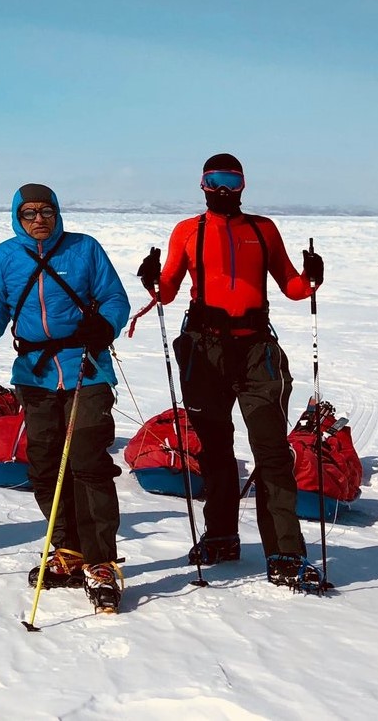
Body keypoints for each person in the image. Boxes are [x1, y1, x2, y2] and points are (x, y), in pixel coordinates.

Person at [135, 153, 326, 590]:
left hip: (257, 349)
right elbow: (166, 292)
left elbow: (293, 288)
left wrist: (312, 278)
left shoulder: (263, 230)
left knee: (272, 452)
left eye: (231, 181)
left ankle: (285, 553)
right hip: (205, 351)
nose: (223, 189)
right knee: (215, 449)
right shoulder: (188, 230)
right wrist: (152, 280)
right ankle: (221, 535)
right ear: (202, 184)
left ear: (243, 185)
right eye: (214, 180)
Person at [0, 183, 130, 613]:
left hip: (85, 369)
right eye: (29, 213)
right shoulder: (5, 256)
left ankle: (101, 561)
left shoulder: (84, 249)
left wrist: (105, 324)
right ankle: (68, 549)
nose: (39, 219)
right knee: (45, 465)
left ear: (58, 213)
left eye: (47, 211)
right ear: (17, 217)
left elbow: (114, 297)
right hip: (34, 375)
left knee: (88, 459)